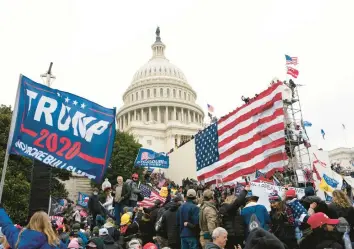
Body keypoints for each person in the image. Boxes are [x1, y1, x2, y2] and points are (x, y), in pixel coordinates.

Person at [0, 208, 66, 249]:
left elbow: (7, 225)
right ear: (48, 224)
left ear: (31, 221)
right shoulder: (54, 243)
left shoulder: (19, 236)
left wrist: (1, 210)